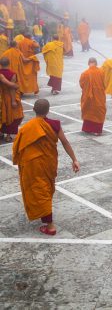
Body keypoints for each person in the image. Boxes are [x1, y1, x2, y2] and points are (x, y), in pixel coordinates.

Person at [12, 99, 80, 236]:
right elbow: (65, 142)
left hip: (33, 165)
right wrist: (74, 160)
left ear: (34, 110)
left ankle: (50, 226)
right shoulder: (55, 125)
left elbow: (18, 148)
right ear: (48, 110)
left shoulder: (27, 128)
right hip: (49, 162)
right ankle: (45, 215)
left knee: (39, 190)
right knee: (44, 188)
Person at [79, 57, 106, 135]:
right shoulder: (102, 72)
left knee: (88, 111)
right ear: (96, 63)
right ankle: (97, 130)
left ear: (88, 63)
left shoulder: (84, 73)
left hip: (87, 98)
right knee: (98, 112)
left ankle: (87, 129)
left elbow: (82, 85)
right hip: (99, 97)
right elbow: (105, 83)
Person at [0, 56, 24, 142]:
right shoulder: (12, 74)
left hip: (1, 97)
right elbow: (12, 88)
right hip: (8, 97)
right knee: (10, 116)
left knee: (2, 115)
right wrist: (13, 101)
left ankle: (1, 133)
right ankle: (8, 136)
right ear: (9, 64)